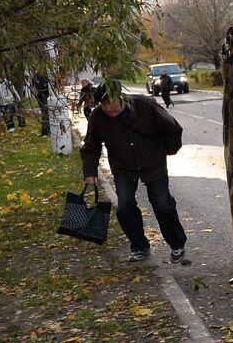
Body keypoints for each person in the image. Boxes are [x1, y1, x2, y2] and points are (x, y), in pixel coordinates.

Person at [80, 84, 188, 263]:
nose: (107, 108)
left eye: (110, 102)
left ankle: (177, 243)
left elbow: (173, 128)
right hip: (123, 166)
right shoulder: (97, 117)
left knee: (162, 203)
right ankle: (139, 245)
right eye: (103, 104)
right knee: (124, 206)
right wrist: (90, 172)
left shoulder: (145, 105)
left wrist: (168, 150)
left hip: (153, 162)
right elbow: (91, 146)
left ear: (121, 97)